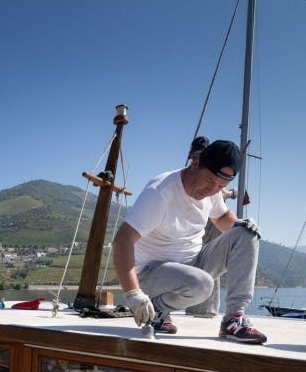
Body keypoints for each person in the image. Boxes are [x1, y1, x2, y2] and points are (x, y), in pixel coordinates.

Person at [112, 139, 267, 343]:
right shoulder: (160, 193)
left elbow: (220, 217)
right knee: (202, 284)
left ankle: (233, 319)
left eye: (221, 186)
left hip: (192, 264)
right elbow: (122, 240)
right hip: (152, 274)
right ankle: (157, 309)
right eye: (210, 182)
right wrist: (133, 293)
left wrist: (240, 225)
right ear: (196, 162)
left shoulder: (213, 191)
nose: (212, 190)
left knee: (246, 232)